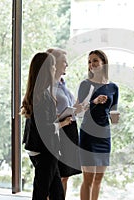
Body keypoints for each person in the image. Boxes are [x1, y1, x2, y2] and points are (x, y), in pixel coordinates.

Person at [21, 52, 72, 200]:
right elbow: (46, 129)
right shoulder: (44, 96)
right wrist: (62, 122)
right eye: (53, 66)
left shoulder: (36, 93)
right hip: (45, 150)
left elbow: (40, 122)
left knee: (56, 193)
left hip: (38, 148)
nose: (54, 69)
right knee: (41, 192)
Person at [78, 50, 119, 200]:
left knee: (98, 180)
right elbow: (78, 109)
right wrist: (94, 102)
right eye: (89, 62)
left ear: (104, 63)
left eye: (95, 60)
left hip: (104, 135)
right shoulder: (85, 84)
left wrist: (116, 117)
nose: (91, 64)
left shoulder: (113, 87)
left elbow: (113, 112)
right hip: (88, 134)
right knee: (88, 179)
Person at [47, 48, 82, 197]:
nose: (67, 64)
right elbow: (46, 114)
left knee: (65, 175)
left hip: (70, 130)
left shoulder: (63, 84)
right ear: (54, 64)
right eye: (64, 61)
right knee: (55, 176)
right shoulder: (49, 86)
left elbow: (72, 107)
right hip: (59, 131)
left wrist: (80, 107)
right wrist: (66, 114)